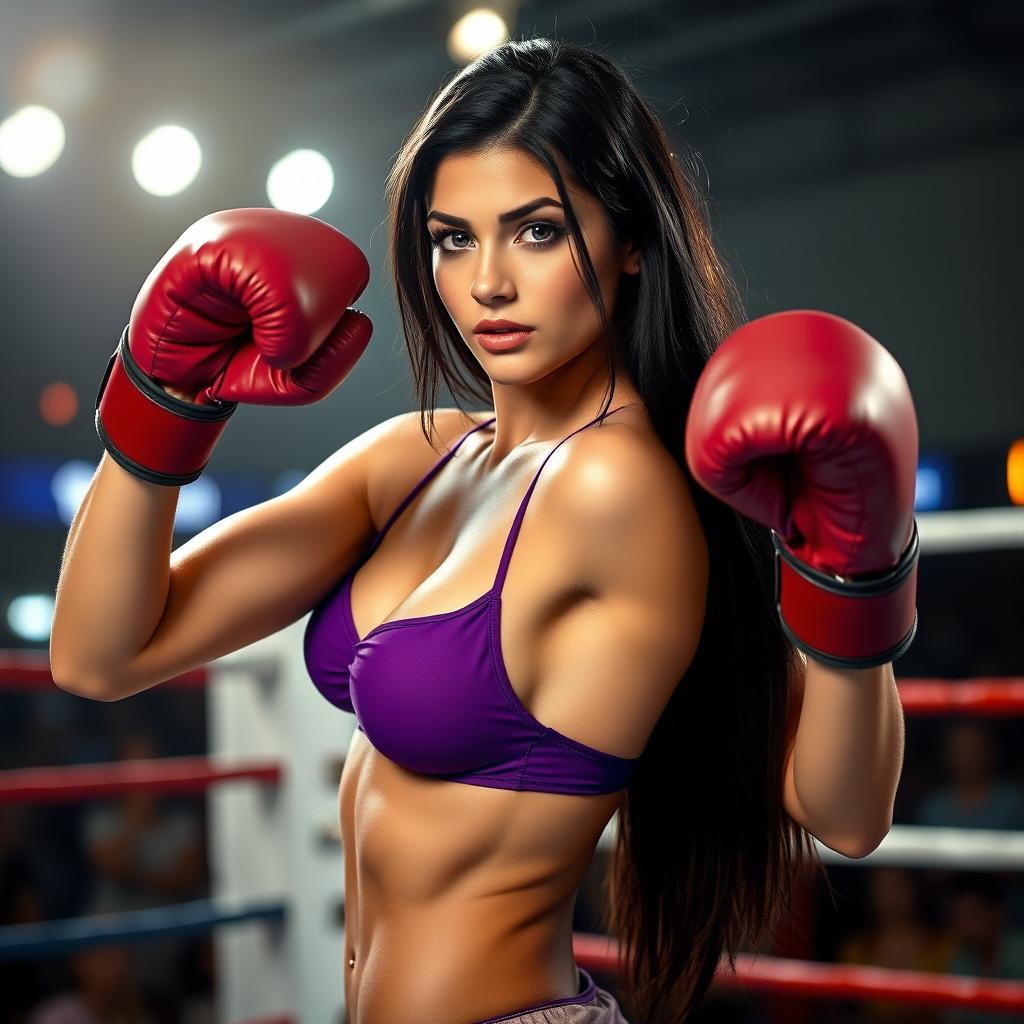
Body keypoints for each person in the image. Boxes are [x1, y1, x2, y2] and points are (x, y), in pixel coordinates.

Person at [50, 37, 913, 1024]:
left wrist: (857, 578)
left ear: (630, 237)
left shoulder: (616, 487)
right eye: (451, 237)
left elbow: (842, 811)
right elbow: (99, 652)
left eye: (536, 232)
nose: (486, 283)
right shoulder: (418, 458)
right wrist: (161, 401)